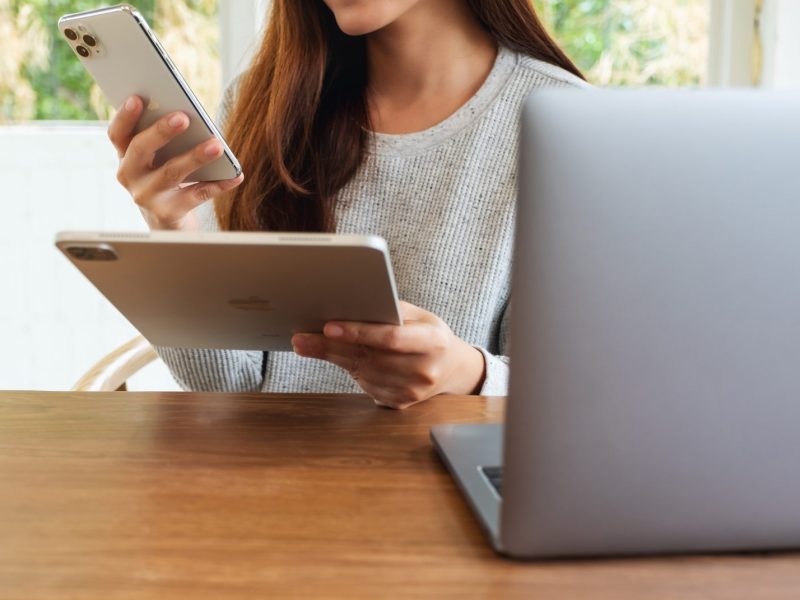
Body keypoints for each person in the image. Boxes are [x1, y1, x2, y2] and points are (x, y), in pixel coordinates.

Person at [107, 0, 586, 409]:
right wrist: (172, 227)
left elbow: (581, 402)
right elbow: (224, 383)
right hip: (265, 489)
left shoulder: (567, 126)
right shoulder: (264, 104)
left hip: (440, 500)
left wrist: (467, 374)